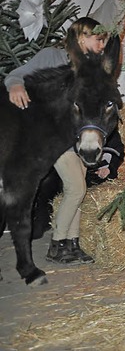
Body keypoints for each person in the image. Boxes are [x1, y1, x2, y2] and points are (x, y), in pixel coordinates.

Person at [4, 16, 109, 264]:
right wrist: (15, 85)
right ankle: (57, 244)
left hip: (76, 136)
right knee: (76, 187)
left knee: (77, 187)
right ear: (82, 37)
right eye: (99, 39)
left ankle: (72, 244)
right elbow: (16, 75)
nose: (102, 45)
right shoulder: (52, 56)